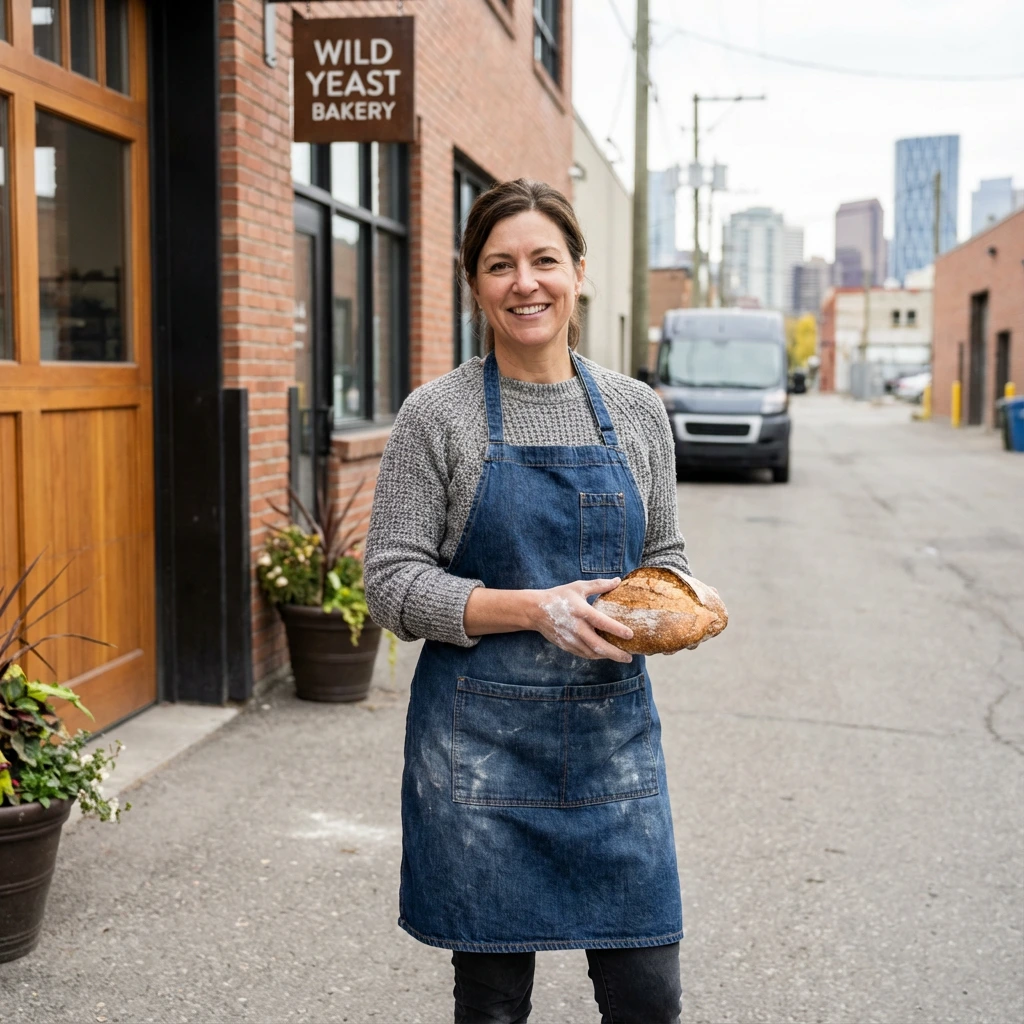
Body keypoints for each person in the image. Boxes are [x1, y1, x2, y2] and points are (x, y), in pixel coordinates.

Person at [364, 178, 692, 1024]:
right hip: (479, 753)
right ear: (474, 281)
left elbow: (663, 556)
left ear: (578, 270)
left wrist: (684, 601)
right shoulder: (436, 417)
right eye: (501, 264)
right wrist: (533, 608)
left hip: (614, 750)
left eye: (545, 259)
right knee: (494, 1002)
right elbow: (392, 581)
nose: (526, 283)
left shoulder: (637, 412)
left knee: (647, 994)